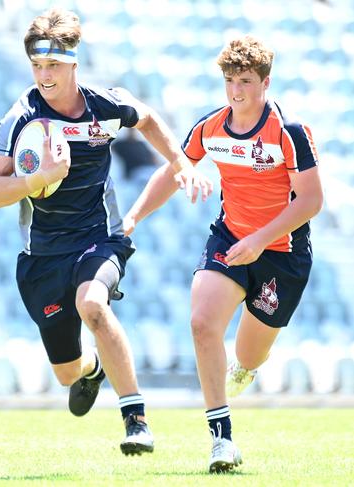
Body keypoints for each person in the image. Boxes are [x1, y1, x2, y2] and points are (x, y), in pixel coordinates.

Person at [0, 8, 211, 455]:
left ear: (73, 63)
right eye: (38, 66)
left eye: (54, 65)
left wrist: (180, 164)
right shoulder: (21, 117)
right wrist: (37, 178)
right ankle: (92, 369)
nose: (45, 75)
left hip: (99, 238)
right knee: (67, 371)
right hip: (43, 254)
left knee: (93, 305)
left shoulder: (105, 104)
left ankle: (135, 420)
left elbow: (144, 118)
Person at [177, 36, 322, 472]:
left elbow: (311, 201)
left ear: (265, 82)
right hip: (230, 239)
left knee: (249, 354)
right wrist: (131, 220)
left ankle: (245, 368)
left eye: (245, 81)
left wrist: (260, 239)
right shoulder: (210, 127)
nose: (236, 90)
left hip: (282, 254)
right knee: (203, 324)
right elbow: (177, 166)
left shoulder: (289, 131)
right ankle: (222, 441)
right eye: (229, 80)